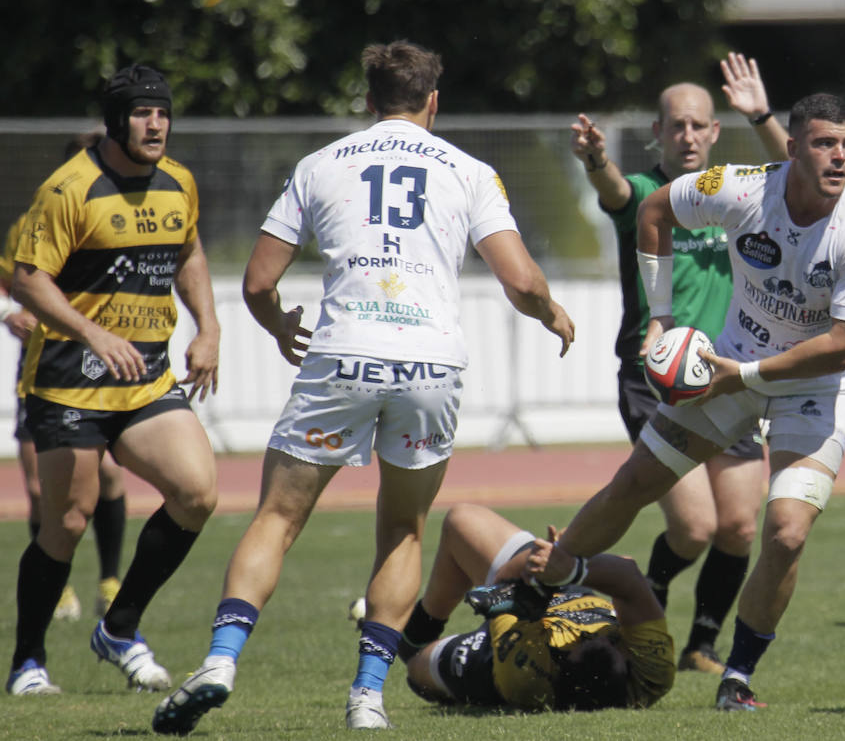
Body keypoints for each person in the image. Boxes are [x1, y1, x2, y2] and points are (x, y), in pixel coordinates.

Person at [152, 40, 574, 734]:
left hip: (342, 354)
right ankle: (368, 697)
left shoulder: (321, 164)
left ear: (369, 100)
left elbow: (258, 282)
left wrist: (277, 324)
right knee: (403, 530)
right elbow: (522, 280)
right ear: (433, 101)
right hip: (429, 367)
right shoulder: (470, 171)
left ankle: (221, 661)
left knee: (277, 519)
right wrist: (550, 311)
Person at [545, 93, 845, 711]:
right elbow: (653, 211)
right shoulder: (739, 187)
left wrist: (749, 374)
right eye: (823, 143)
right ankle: (542, 586)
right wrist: (659, 319)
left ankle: (736, 677)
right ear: (791, 149)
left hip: (809, 388)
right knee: (636, 482)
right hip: (725, 365)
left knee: (784, 533)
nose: (839, 157)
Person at [567, 52, 787, 674]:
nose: (687, 136)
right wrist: (594, 159)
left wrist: (763, 114)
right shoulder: (644, 194)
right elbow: (613, 188)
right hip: (655, 379)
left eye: (698, 125)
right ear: (658, 134)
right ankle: (647, 598)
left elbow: (794, 171)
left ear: (715, 133)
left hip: (728, 377)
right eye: (676, 126)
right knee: (693, 527)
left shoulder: (740, 198)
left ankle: (702, 645)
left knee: (740, 527)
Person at [6, 65, 221, 696]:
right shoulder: (68, 189)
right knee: (66, 521)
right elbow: (28, 281)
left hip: (146, 378)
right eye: (140, 113)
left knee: (197, 493)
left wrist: (207, 328)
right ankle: (28, 662)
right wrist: (93, 334)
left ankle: (119, 626)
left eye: (162, 113)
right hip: (69, 381)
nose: (155, 124)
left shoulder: (178, 181)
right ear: (115, 120)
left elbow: (191, 255)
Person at [3, 131, 128, 624]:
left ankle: (111, 580)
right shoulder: (32, 223)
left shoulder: (122, 217)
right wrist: (9, 312)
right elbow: (14, 284)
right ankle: (57, 588)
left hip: (102, 370)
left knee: (109, 474)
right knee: (40, 488)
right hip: (46, 368)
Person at [397, 503, 675, 711]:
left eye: (580, 640)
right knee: (463, 518)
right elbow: (627, 573)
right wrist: (570, 566)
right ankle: (423, 624)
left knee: (417, 665)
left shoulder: (526, 675)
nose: (583, 632)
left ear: (556, 663)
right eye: (611, 638)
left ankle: (416, 637)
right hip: (563, 587)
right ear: (626, 659)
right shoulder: (651, 673)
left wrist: (541, 560)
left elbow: (503, 583)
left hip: (508, 629)